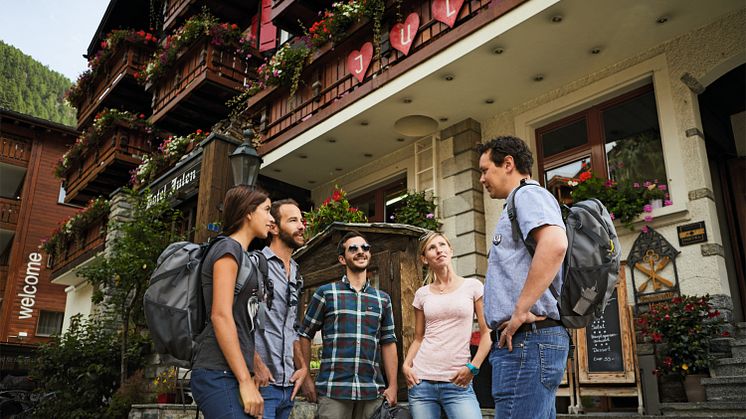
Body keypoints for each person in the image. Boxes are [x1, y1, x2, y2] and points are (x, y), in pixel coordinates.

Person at [477, 136, 570, 419]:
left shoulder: (527, 195)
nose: (482, 179)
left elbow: (555, 244)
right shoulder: (518, 202)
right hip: (527, 343)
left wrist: (520, 311)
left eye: (484, 170)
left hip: (526, 342)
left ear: (507, 164)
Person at [190, 184, 274, 418]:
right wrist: (245, 381)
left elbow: (240, 322)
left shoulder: (244, 256)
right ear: (248, 212)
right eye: (267, 210)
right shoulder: (227, 250)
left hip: (231, 372)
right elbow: (220, 314)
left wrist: (255, 363)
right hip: (216, 371)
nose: (271, 219)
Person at [298, 231, 398, 419]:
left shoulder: (382, 300)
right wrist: (306, 378)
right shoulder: (326, 293)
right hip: (334, 391)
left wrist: (392, 385)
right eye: (353, 248)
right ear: (342, 259)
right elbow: (304, 334)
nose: (361, 251)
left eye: (365, 248)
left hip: (371, 391)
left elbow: (388, 343)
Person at [402, 231, 491, 419]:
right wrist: (406, 365)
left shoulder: (473, 286)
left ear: (450, 250)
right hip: (422, 382)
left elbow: (486, 333)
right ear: (424, 259)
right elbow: (419, 337)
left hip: (457, 383)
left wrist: (473, 367)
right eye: (432, 248)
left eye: (442, 245)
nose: (438, 250)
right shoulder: (422, 294)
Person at [253, 199, 309, 419]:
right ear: (274, 227)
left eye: (301, 220)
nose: (302, 226)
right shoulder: (255, 264)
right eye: (293, 220)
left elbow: (290, 327)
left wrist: (303, 367)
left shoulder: (296, 272)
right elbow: (235, 321)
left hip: (288, 388)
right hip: (262, 385)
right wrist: (255, 364)